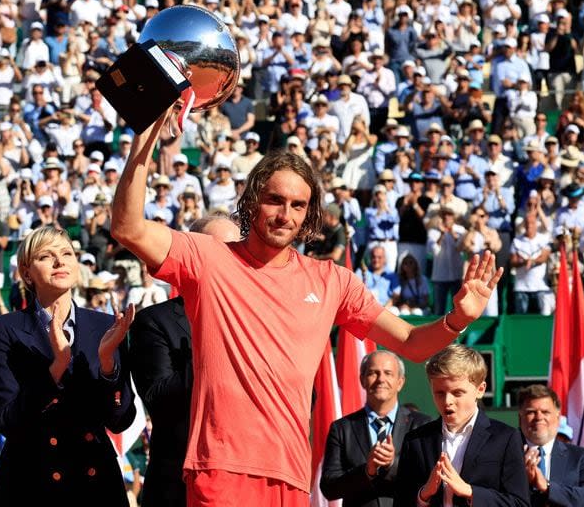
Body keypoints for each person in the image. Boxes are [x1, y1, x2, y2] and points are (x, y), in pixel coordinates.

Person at [111, 110, 502, 506]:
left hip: (291, 474)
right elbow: (127, 227)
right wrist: (147, 136)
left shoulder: (331, 280)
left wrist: (458, 320)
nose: (285, 215)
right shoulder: (209, 257)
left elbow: (412, 344)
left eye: (298, 205)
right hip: (222, 468)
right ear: (251, 201)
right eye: (274, 201)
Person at [0, 226, 137, 505]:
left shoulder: (106, 326)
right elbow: (8, 420)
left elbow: (121, 419)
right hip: (31, 482)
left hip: (96, 483)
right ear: (27, 273)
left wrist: (106, 364)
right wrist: (57, 366)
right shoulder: (3, 329)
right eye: (46, 256)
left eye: (67, 253)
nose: (59, 261)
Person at [130, 215, 241, 507]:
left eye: (236, 250)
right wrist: (211, 351)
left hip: (248, 482)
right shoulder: (154, 321)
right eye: (218, 250)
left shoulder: (263, 320)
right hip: (180, 486)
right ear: (192, 254)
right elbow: (158, 399)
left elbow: (304, 397)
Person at [394, 344, 529, 506]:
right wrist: (423, 495)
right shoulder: (416, 440)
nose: (447, 401)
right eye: (439, 393)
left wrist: (470, 492)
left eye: (457, 393)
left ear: (480, 389)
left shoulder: (505, 438)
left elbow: (520, 503)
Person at [320, 350, 432, 506]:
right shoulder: (341, 428)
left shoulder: (422, 424)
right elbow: (329, 487)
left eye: (388, 373)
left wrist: (392, 464)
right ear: (362, 380)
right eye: (373, 373)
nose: (381, 379)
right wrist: (367, 471)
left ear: (400, 382)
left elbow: (429, 478)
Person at [517, 384, 584, 507]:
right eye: (531, 412)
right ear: (520, 418)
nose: (539, 417)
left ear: (557, 417)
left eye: (545, 412)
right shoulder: (504, 454)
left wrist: (547, 487)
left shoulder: (580, 457)